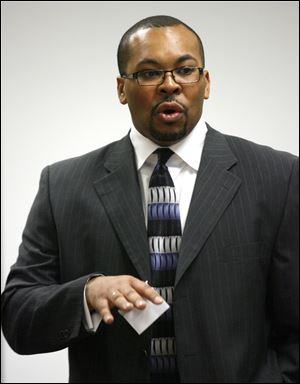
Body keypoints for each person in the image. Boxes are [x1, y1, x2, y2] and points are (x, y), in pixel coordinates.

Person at [1, 14, 299, 383]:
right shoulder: (62, 185)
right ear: (121, 88)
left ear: (206, 83)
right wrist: (87, 294)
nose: (169, 85)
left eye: (185, 70)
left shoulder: (277, 176)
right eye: (148, 73)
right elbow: (17, 316)